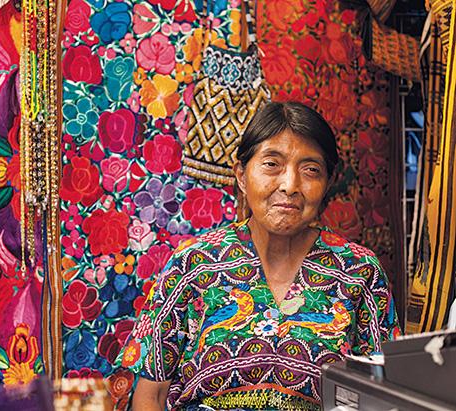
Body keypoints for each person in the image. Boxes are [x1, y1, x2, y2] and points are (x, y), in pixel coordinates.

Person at [119, 102, 401, 410]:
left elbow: (385, 395)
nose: (290, 185)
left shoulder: (359, 272)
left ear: (328, 184)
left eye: (310, 170)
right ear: (241, 174)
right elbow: (151, 394)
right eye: (272, 164)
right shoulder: (194, 264)